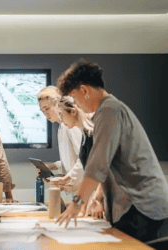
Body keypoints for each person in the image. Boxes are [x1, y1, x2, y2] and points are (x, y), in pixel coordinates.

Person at [56, 59, 168, 243]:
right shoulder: (108, 110)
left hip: (142, 205)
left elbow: (98, 163)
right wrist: (96, 198)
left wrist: (76, 204)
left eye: (75, 99)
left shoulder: (109, 111)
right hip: (135, 204)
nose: (77, 106)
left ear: (85, 90)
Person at [57, 95, 104, 219]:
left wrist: (97, 198)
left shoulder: (94, 129)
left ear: (73, 112)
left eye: (62, 115)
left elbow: (105, 168)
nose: (61, 120)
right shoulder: (85, 133)